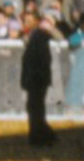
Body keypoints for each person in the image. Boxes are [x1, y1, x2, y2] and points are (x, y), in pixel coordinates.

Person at [21, 9, 57, 146]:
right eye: (25, 21)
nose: (26, 23)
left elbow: (42, 59)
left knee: (34, 108)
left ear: (37, 22)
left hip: (37, 78)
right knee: (35, 108)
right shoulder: (36, 36)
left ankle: (38, 137)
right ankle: (45, 135)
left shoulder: (39, 36)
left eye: (29, 21)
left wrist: (36, 77)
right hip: (37, 78)